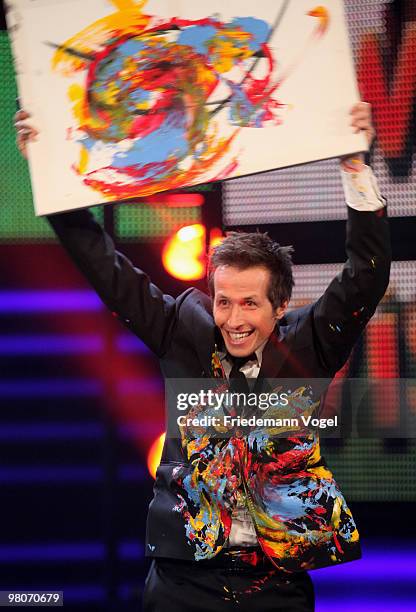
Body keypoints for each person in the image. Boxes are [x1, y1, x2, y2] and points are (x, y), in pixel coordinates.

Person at [15, 102, 390, 612]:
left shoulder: (309, 345)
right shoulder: (181, 332)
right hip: (182, 582)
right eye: (224, 300)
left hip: (277, 583)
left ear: (280, 307)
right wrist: (51, 169)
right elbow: (103, 266)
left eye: (251, 304)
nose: (233, 319)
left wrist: (354, 167)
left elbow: (365, 276)